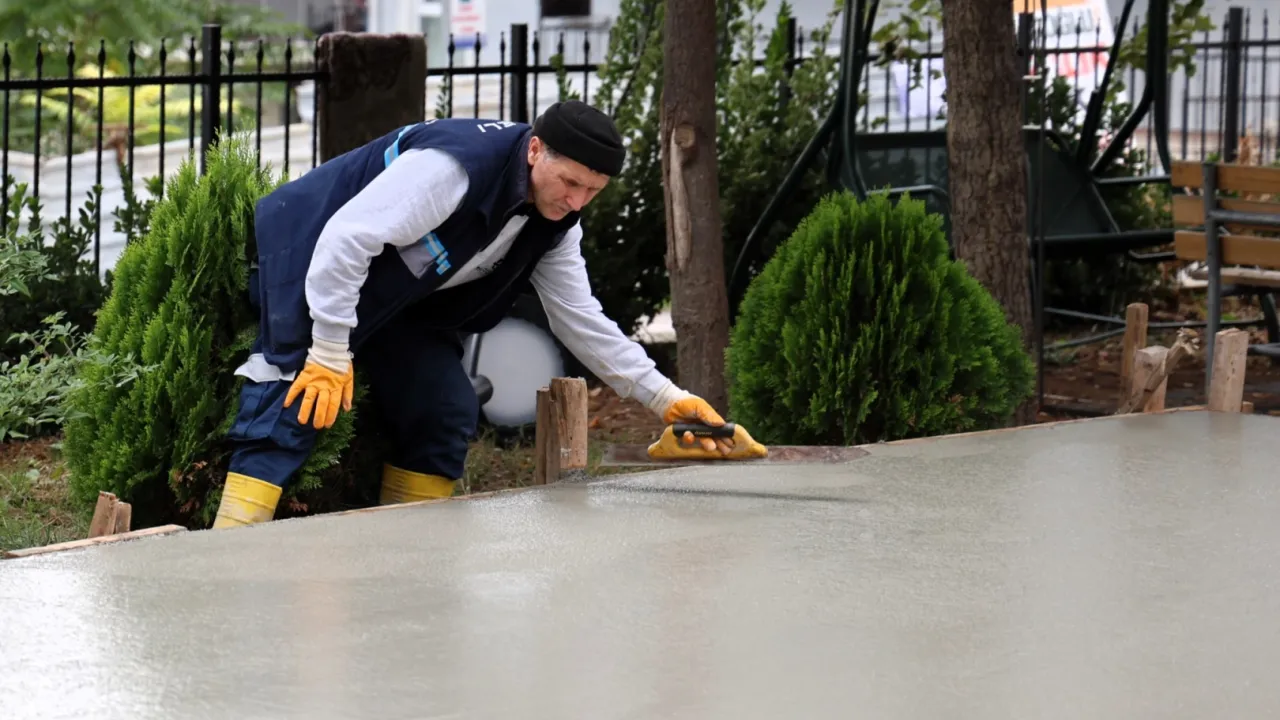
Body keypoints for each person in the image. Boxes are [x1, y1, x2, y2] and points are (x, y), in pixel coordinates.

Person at [212, 100, 733, 528]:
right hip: (311, 259)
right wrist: (328, 350)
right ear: (535, 150)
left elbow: (581, 318)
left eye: (592, 192)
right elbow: (347, 240)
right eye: (570, 182)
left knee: (444, 409)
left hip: (402, 302)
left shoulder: (556, 223)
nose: (576, 202)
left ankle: (404, 562)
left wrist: (666, 398)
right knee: (293, 402)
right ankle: (231, 557)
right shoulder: (454, 170)